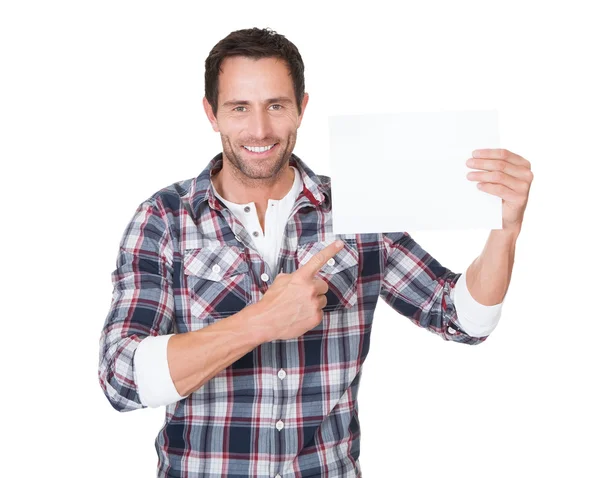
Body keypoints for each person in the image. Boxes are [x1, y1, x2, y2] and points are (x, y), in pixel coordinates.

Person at [98, 27, 534, 478]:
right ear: (211, 113)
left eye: (276, 105)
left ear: (302, 108)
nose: (260, 129)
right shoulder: (165, 218)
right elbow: (121, 378)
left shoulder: (360, 208)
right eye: (239, 108)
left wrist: (506, 231)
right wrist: (260, 323)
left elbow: (461, 318)